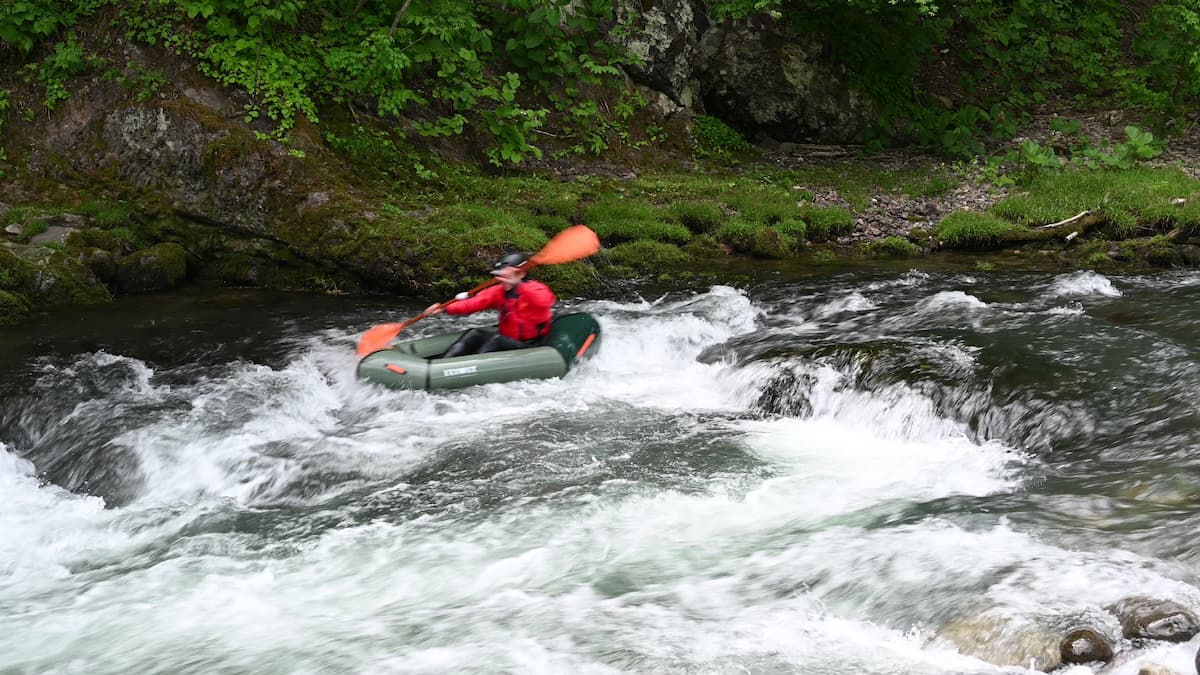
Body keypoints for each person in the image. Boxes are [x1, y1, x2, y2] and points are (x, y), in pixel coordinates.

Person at [426, 251, 556, 358]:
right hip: (506, 338)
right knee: (475, 333)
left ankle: (473, 367)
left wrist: (518, 285)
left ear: (521, 274)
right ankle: (444, 362)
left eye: (505, 276)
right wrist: (444, 309)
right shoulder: (499, 291)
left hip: (530, 346)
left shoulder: (537, 289)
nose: (501, 280)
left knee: (497, 340)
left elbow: (544, 302)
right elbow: (473, 303)